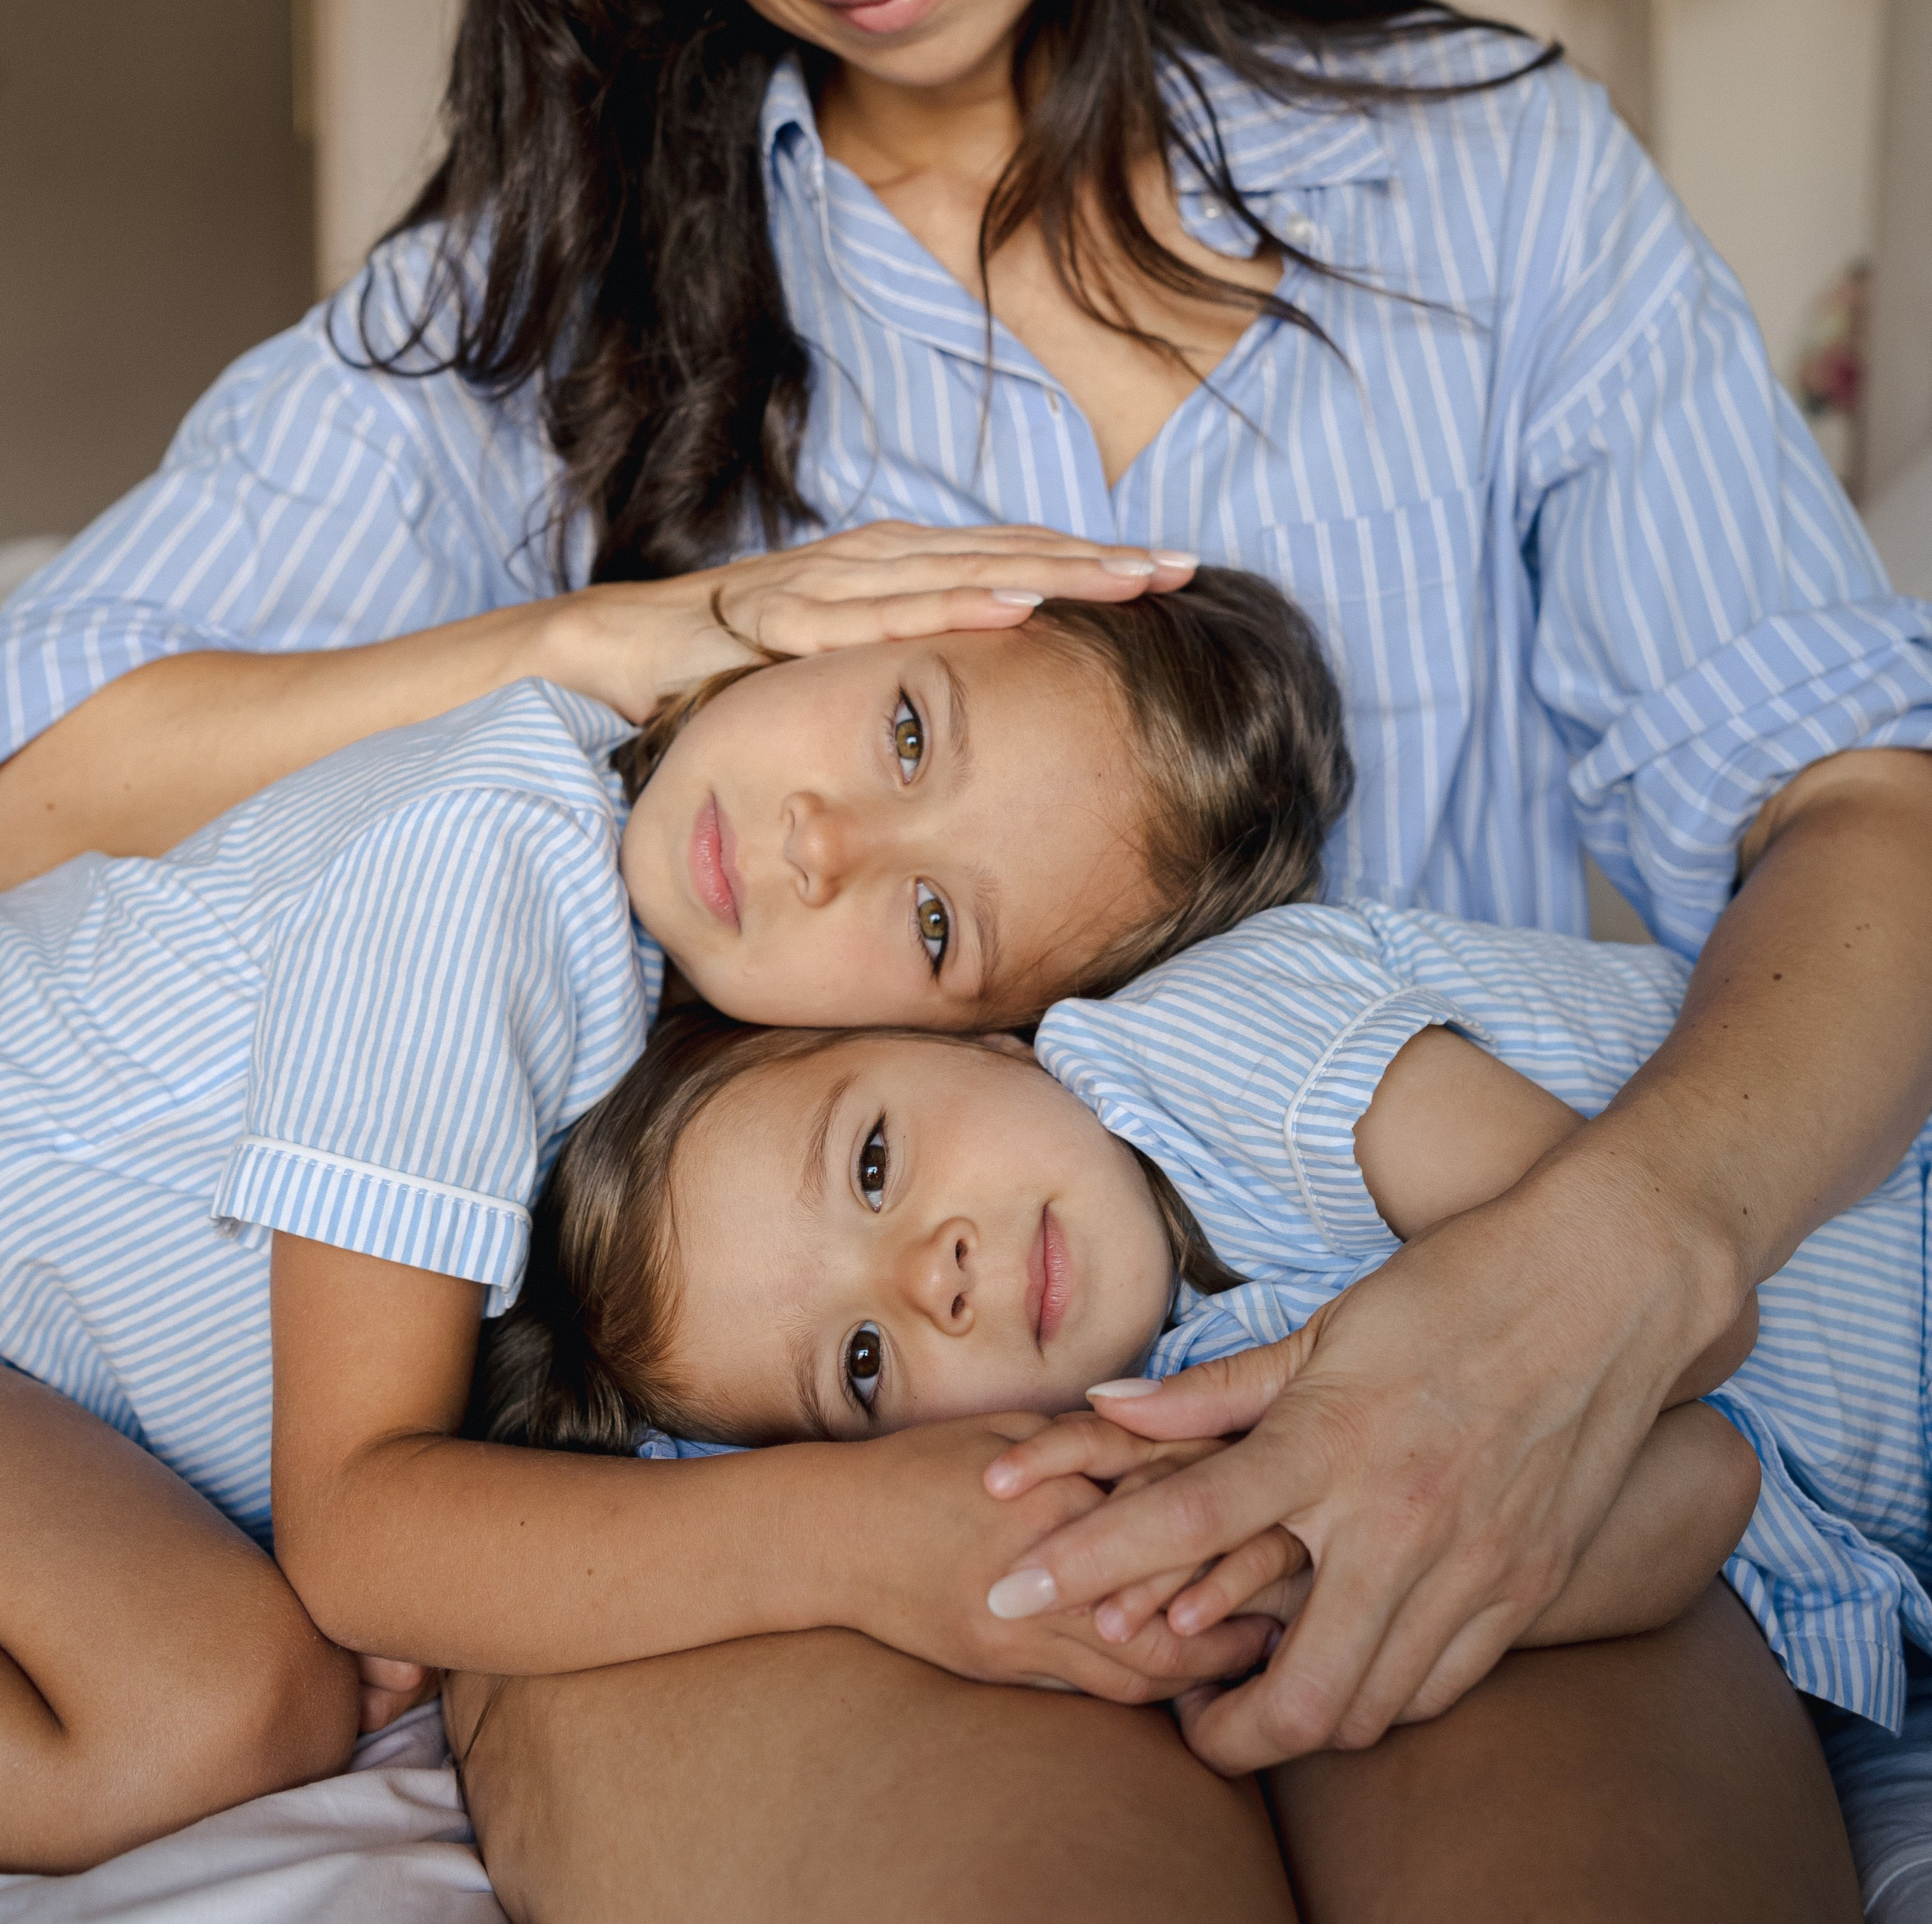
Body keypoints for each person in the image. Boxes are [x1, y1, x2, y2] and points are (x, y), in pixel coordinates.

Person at [2, 0, 1924, 1916]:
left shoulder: (1490, 182)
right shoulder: (551, 289)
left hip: (1417, 1328)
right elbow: (32, 795)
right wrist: (587, 641)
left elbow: (1857, 804)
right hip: (786, 1458)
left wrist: (1605, 1262)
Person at [0, 573, 1342, 1873]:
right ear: (861, 627)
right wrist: (856, 1538)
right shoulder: (489, 858)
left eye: (934, 922)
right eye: (910, 731)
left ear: (986, 1036)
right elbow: (356, 1529)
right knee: (218, 1704)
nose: (825, 843)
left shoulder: (727, 1149)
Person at [500, 905, 1928, 1753]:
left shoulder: (1220, 1050)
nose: (928, 1275)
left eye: (874, 1163)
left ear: (975, 1038)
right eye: (864, 1364)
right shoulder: (1164, 1412)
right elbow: (1704, 1489)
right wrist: (1302, 1591)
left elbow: (1676, 1318)